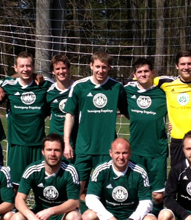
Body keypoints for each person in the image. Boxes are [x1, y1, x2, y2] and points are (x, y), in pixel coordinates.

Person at [8, 133, 82, 220]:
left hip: (61, 215)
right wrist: (31, 216)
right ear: (43, 151)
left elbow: (74, 202)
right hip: (39, 215)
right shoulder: (32, 169)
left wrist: (51, 211)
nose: (52, 154)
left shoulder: (70, 170)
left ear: (62, 152)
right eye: (49, 150)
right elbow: (19, 199)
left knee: (75, 219)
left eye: (57, 150)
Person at [82, 138, 157, 220]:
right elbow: (90, 198)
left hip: (131, 219)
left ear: (130, 153)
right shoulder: (101, 170)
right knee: (87, 217)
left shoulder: (139, 171)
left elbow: (147, 202)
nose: (121, 157)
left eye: (124, 153)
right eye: (117, 153)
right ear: (110, 153)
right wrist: (109, 218)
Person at [63, 51, 128, 195]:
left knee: (106, 189)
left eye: (104, 67)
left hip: (107, 148)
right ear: (91, 66)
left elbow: (129, 113)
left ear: (109, 67)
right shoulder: (79, 86)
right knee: (77, 188)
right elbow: (70, 115)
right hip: (83, 147)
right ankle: (76, 216)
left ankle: (101, 217)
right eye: (97, 66)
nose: (100, 70)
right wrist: (67, 143)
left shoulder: (116, 87)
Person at [0, 52, 51, 185]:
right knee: (15, 185)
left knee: (41, 185)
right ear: (15, 67)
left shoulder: (45, 84)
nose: (25, 69)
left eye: (28, 66)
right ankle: (14, 207)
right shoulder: (8, 84)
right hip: (17, 144)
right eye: (21, 66)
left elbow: (63, 89)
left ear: (33, 66)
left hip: (39, 145)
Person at [124, 58, 168, 208]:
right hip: (136, 150)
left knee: (157, 195)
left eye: (146, 71)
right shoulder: (127, 90)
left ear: (152, 73)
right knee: (136, 190)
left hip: (157, 150)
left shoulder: (163, 92)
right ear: (134, 74)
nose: (143, 74)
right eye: (139, 72)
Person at [45, 54, 77, 145]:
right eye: (57, 69)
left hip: (74, 140)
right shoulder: (49, 91)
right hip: (55, 140)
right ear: (53, 71)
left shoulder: (77, 89)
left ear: (69, 69)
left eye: (64, 68)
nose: (61, 71)